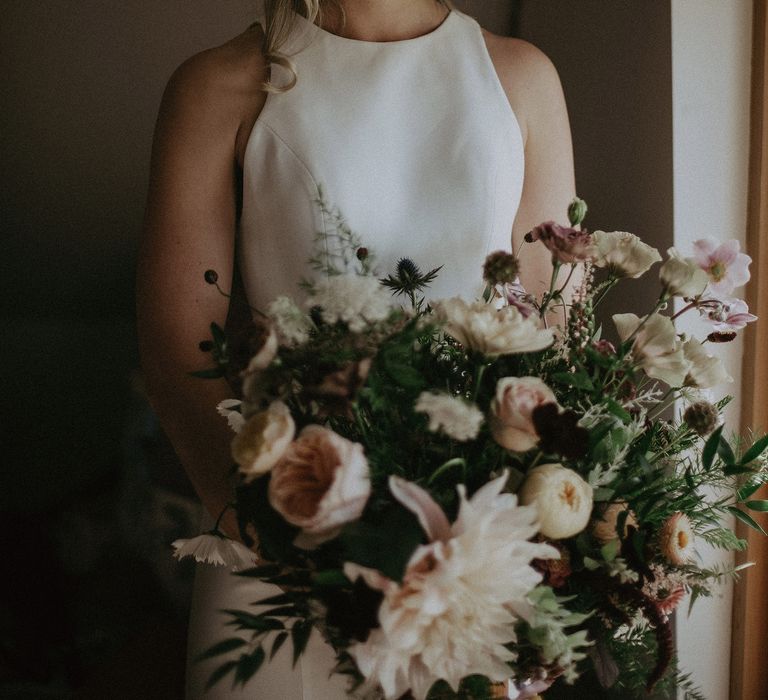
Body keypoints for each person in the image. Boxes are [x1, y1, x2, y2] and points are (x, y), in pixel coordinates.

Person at [136, 0, 576, 697]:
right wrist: (299, 547)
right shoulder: (218, 83)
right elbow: (176, 352)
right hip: (281, 547)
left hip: (473, 555)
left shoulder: (521, 77)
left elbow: (550, 335)